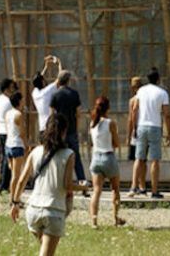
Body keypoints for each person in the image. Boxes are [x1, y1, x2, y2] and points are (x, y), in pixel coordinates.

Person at [10, 114, 77, 256]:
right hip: (53, 211)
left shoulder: (35, 151)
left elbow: (21, 180)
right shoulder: (69, 154)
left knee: (45, 250)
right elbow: (67, 185)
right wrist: (83, 187)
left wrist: (15, 203)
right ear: (64, 132)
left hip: (32, 210)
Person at [130, 67, 170, 199]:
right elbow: (166, 114)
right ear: (158, 79)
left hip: (141, 125)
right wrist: (169, 132)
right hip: (155, 126)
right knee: (155, 160)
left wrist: (135, 127)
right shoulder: (163, 93)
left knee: (139, 158)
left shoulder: (141, 91)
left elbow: (134, 109)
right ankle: (154, 190)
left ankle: (134, 187)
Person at [88, 96, 126, 228]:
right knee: (115, 189)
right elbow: (116, 143)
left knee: (96, 190)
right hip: (108, 157)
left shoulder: (92, 123)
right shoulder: (110, 123)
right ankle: (115, 218)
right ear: (108, 108)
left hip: (96, 158)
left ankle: (94, 220)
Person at [49, 70, 88, 189]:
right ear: (68, 80)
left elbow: (52, 114)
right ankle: (82, 180)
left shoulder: (55, 95)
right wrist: (76, 127)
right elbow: (78, 113)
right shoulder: (74, 94)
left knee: (57, 155)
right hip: (71, 129)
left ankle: (57, 180)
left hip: (59, 130)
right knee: (75, 155)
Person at [32, 55, 62, 141]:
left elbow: (37, 81)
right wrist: (59, 63)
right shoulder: (47, 91)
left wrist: (46, 67)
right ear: (42, 81)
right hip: (50, 126)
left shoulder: (35, 93)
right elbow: (60, 80)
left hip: (42, 127)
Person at [125, 76, 146, 197]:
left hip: (136, 131)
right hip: (143, 130)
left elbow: (130, 119)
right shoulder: (144, 99)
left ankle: (136, 185)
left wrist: (129, 134)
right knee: (143, 160)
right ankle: (142, 185)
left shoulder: (133, 100)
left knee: (137, 159)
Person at [6, 92, 28, 199]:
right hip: (17, 145)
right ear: (19, 101)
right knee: (16, 175)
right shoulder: (18, 115)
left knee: (13, 175)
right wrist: (26, 146)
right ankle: (14, 199)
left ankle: (13, 197)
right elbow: (22, 133)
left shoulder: (8, 113)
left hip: (8, 144)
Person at [0, 78, 17, 194]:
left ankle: (3, 184)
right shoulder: (7, 102)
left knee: (4, 158)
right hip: (7, 131)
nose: (13, 89)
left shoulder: (0, 99)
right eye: (12, 87)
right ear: (7, 88)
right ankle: (4, 185)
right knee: (7, 159)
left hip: (1, 131)